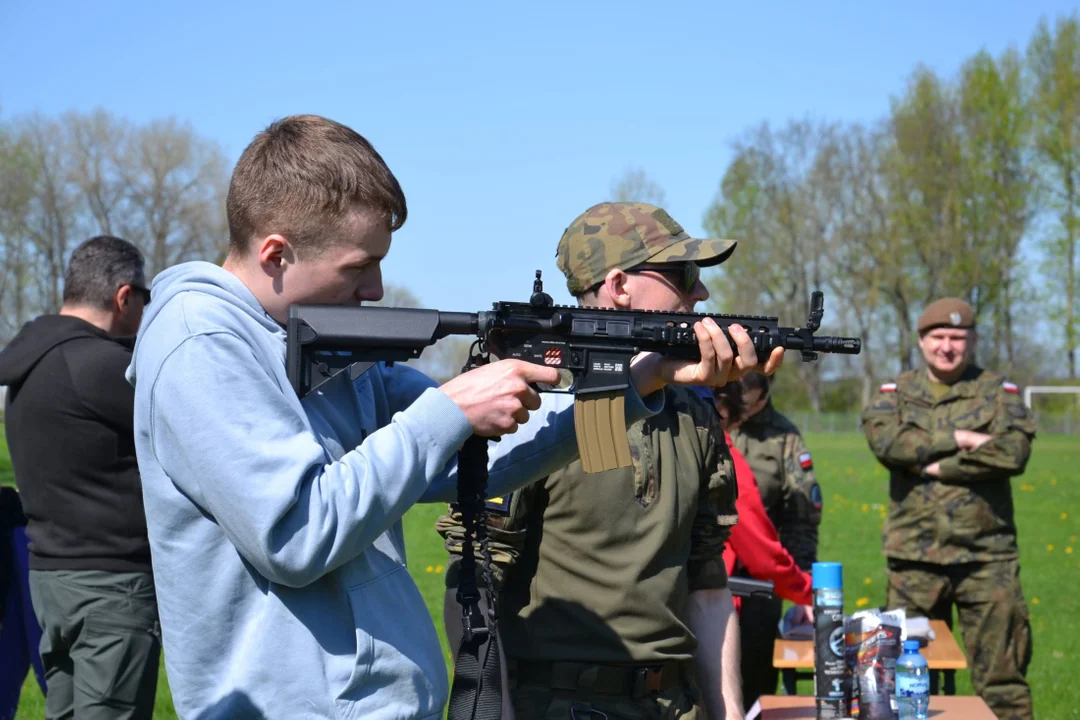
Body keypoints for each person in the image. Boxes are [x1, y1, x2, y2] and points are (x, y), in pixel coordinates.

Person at [126, 117, 768, 720]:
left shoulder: (312, 348)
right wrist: (449, 409)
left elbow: (482, 465)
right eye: (359, 266)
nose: (375, 290)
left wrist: (640, 379)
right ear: (276, 254)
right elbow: (297, 534)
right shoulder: (199, 344)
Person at [438, 201, 784, 720]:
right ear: (620, 286)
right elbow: (475, 580)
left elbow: (708, 586)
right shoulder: (533, 399)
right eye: (683, 274)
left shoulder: (692, 410)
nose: (702, 293)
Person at [0, 235, 158, 720]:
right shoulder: (100, 366)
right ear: (123, 296)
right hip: (110, 590)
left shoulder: (29, 364)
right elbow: (192, 429)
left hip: (51, 580)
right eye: (144, 298)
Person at [861, 298, 1035, 720]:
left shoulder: (999, 391)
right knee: (905, 682)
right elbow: (889, 445)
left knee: (1003, 684)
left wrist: (941, 466)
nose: (947, 347)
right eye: (938, 337)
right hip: (913, 563)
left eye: (957, 337)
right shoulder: (896, 393)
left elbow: (1013, 453)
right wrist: (963, 437)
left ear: (973, 341)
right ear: (921, 341)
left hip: (986, 560)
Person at [725, 372, 821, 706]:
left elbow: (801, 519)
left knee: (755, 688)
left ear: (764, 392)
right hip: (701, 577)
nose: (738, 403)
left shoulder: (784, 437)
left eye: (746, 396)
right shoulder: (703, 418)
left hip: (760, 583)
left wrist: (803, 592)